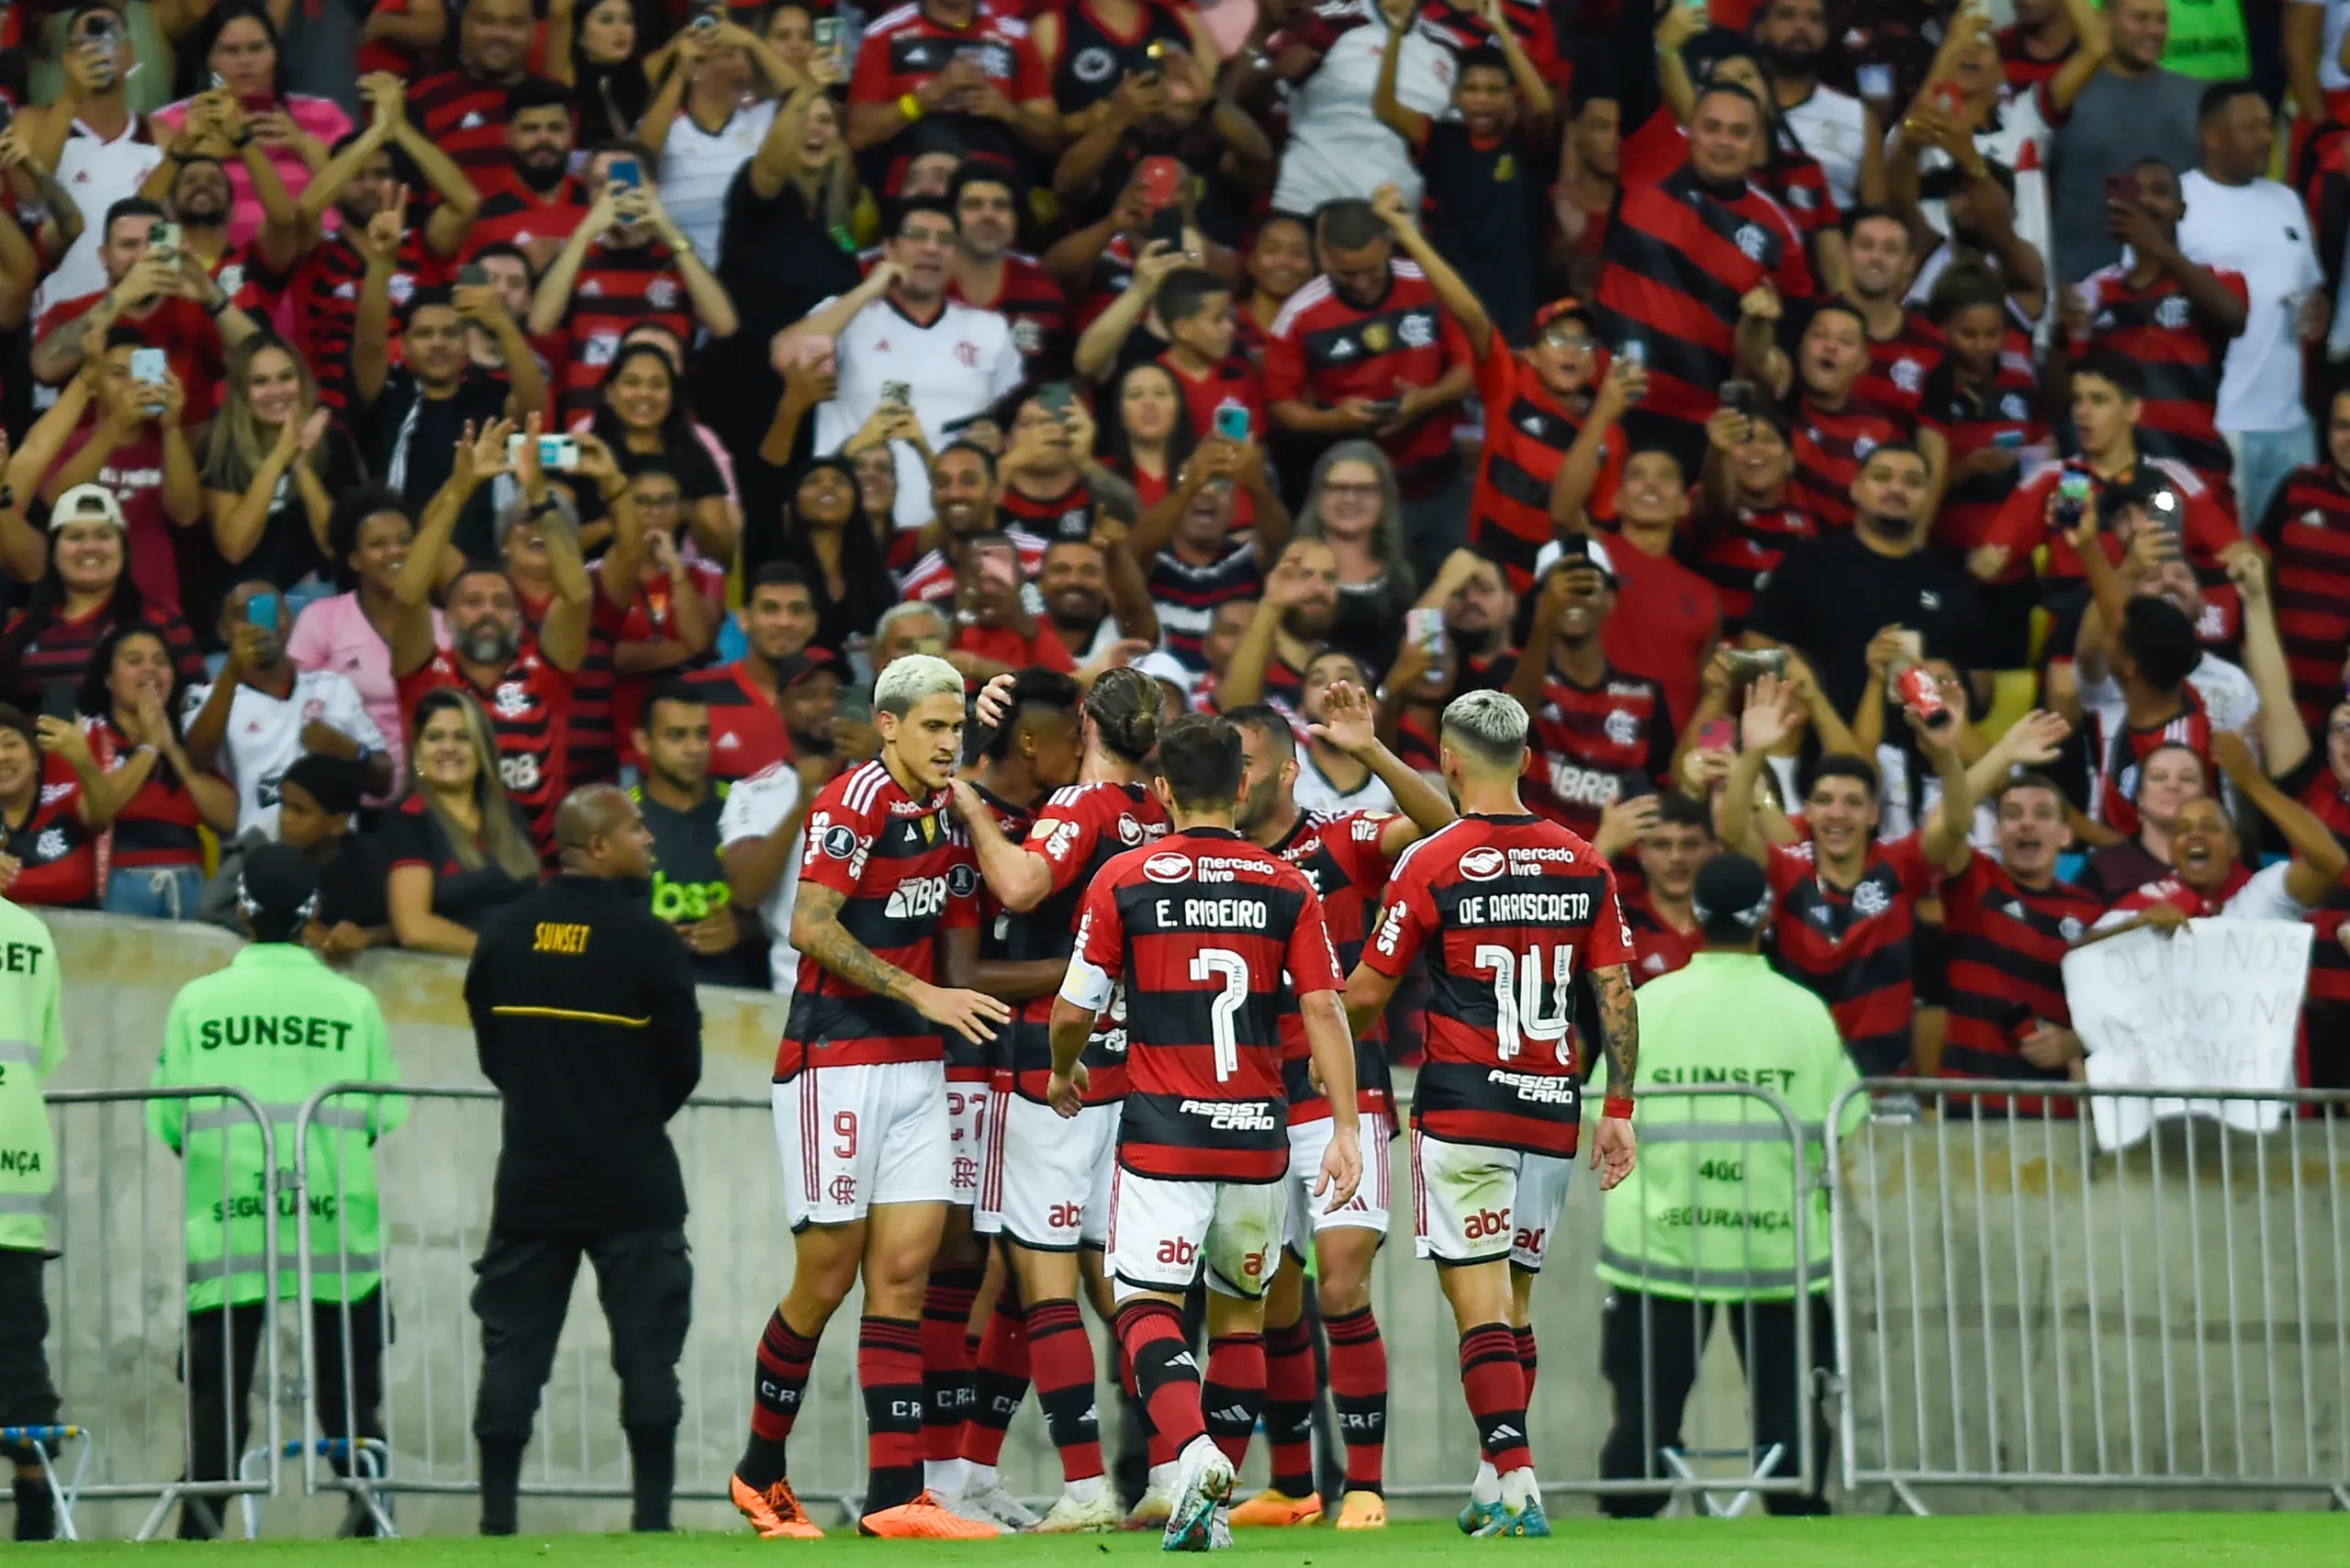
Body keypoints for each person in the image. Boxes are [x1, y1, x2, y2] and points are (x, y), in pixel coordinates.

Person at [1057, 712, 1360, 1550]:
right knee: (1240, 1319)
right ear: (1242, 786)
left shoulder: (1125, 876)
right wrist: (1343, 1126)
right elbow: (1325, 1009)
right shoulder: (1287, 884)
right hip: (1258, 1134)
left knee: (1145, 1306)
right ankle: (1211, 1509)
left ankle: (1191, 1456)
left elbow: (1075, 1005)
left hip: (1163, 1132)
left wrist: (1059, 1069)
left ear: (1161, 792)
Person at [1341, 688, 1639, 1539]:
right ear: (1530, 762)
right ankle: (1489, 1483)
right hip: (1552, 1111)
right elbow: (1613, 991)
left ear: (1447, 760)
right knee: (1513, 1307)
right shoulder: (1584, 861)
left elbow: (1366, 995)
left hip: (1466, 1109)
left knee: (1479, 1310)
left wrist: (1292, 1027)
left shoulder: (1433, 860)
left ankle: (1520, 1477)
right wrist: (1615, 1106)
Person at [728, 655, 1010, 1541]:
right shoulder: (853, 803)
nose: (948, 741)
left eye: (957, 726)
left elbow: (967, 930)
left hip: (918, 1067)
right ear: (889, 726)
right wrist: (922, 994)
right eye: (933, 725)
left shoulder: (950, 813)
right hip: (832, 1063)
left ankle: (896, 1498)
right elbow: (807, 924)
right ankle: (758, 1471)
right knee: (828, 1276)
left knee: (903, 1277)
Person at [1225, 689, 1455, 1531]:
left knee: (1342, 1280)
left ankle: (1366, 1486)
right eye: (1228, 766)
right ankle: (1292, 1485)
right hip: (1248, 1094)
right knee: (1270, 1293)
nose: (1236, 780)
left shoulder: (1341, 838)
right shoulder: (1212, 857)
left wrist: (1376, 755)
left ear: (1286, 769)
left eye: (1247, 763)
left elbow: (1445, 826)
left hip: (1340, 1090)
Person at [944, 666, 1166, 1530]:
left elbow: (1024, 887)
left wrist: (965, 800)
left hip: (1054, 1065)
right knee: (1089, 1276)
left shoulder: (1083, 807)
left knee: (1042, 1275)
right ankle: (975, 1468)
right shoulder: (1157, 813)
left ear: (1085, 726)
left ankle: (1084, 1484)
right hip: (1130, 1061)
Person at [1592, 852, 1862, 1518]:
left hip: (1661, 1249)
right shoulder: (1804, 1013)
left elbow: (1598, 1107)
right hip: (1776, 1252)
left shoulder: (1649, 1005)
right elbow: (1845, 1119)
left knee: (1643, 1429)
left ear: (1696, 917)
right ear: (1766, 916)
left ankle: (1627, 1533)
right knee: (1793, 1435)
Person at [464, 785, 701, 1536]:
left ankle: (496, 1524)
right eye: (637, 829)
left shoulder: (503, 933)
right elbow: (681, 1068)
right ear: (598, 845)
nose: (651, 840)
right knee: (648, 1358)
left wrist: (547, 1108)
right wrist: (620, 1115)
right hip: (634, 1178)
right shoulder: (651, 940)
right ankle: (653, 1522)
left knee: (511, 1356)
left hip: (532, 1178)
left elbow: (492, 1050)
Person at [150, 843, 403, 1540]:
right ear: (314, 913)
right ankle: (370, 1523)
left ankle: (201, 1528)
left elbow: (171, 1122)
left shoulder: (197, 1003)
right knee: (351, 1402)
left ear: (243, 911)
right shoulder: (355, 1004)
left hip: (229, 1227)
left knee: (216, 1399)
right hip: (333, 1228)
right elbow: (379, 1118)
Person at [1721, 673, 1975, 1074]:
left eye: (1853, 802)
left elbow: (1958, 824)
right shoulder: (1790, 868)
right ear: (1807, 812)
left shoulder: (1900, 865)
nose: (1837, 814)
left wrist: (1945, 755)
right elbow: (1732, 832)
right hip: (1799, 1075)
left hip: (1885, 1083)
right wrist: (1753, 753)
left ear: (1874, 814)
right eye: (1823, 801)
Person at [1264, 197, 1476, 585]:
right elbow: (1281, 406)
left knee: (1452, 591)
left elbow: (1470, 367)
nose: (1362, 283)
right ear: (1324, 256)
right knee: (1369, 600)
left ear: (1388, 245)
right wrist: (1333, 420)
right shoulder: (1299, 315)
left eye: (1371, 271)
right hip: (1355, 499)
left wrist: (1427, 399)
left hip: (1437, 486)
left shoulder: (1428, 282)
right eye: (1347, 274)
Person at [787, 197, 1025, 532]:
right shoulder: (846, 316)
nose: (932, 249)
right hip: (850, 524)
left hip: (949, 531)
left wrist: (999, 435)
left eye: (945, 241)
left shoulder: (990, 329)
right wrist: (870, 289)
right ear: (889, 249)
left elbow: (1018, 420)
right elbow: (786, 354)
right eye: (917, 236)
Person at [1745, 443, 1984, 724]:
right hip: (1826, 752)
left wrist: (1952, 680)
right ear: (1856, 488)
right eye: (1882, 477)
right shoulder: (1810, 563)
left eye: (1913, 482)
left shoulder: (1949, 579)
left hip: (1928, 752)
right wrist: (1803, 688)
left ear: (1929, 496)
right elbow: (1755, 646)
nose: (1896, 489)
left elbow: (1983, 692)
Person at [2178, 81, 2328, 527]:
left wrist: (2318, 309)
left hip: (2290, 423)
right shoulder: (2180, 200)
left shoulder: (2286, 201)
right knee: (2227, 556)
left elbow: (2310, 288)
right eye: (2251, 128)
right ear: (2212, 135)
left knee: (2294, 553)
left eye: (2268, 126)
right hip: (2220, 421)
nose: (2266, 137)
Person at [526, 143, 742, 427]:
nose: (612, 195)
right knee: (534, 457)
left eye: (624, 183)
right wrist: (584, 234)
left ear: (652, 189)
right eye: (600, 185)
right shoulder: (576, 259)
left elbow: (725, 325)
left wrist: (665, 227)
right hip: (586, 434)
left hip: (665, 436)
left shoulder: (678, 260)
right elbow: (540, 325)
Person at [183, 581, 392, 837]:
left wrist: (354, 752)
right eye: (241, 616)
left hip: (337, 853)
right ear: (224, 632)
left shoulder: (334, 687)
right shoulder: (206, 699)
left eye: (269, 611)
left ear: (290, 621)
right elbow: (195, 761)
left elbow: (384, 783)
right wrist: (232, 671)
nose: (258, 625)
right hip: (260, 855)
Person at [77, 622, 239, 918]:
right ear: (109, 679)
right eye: (134, 661)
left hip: (191, 884)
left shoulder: (189, 742)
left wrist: (173, 751)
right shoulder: (87, 738)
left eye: (161, 661)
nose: (150, 669)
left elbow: (227, 817)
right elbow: (95, 812)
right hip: (118, 883)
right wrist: (149, 749)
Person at [0, 480, 205, 711]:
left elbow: (195, 707)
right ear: (54, 552)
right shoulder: (21, 629)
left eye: (103, 536)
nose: (90, 547)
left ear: (123, 549)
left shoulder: (161, 618)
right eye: (76, 537)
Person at [286, 495, 444, 790]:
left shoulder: (445, 625)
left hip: (433, 793)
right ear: (354, 560)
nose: (395, 552)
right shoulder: (321, 619)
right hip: (347, 795)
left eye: (405, 540)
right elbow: (296, 710)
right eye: (378, 544)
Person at [2042, 0, 2204, 285]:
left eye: (2161, 19)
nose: (2153, 30)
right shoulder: (2068, 95)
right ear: (2106, 19)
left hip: (2175, 286)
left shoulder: (2196, 97)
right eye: (2140, 18)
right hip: (2081, 283)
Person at [0, 890, 66, 1541]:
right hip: (14, 1166)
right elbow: (43, 1051)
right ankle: (37, 1519)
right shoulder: (31, 934)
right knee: (21, 1354)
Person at [383, 689, 543, 956]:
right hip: (451, 977)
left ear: (482, 750)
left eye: (463, 737)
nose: (449, 747)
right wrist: (501, 954)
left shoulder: (512, 814)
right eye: (435, 737)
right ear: (417, 753)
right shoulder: (407, 821)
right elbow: (413, 928)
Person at [632, 682, 758, 987]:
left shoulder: (746, 809)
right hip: (647, 996)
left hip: (740, 999)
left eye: (702, 734)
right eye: (676, 736)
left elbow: (791, 914)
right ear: (643, 742)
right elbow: (592, 922)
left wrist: (743, 930)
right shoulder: (621, 818)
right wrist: (644, 939)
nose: (694, 749)